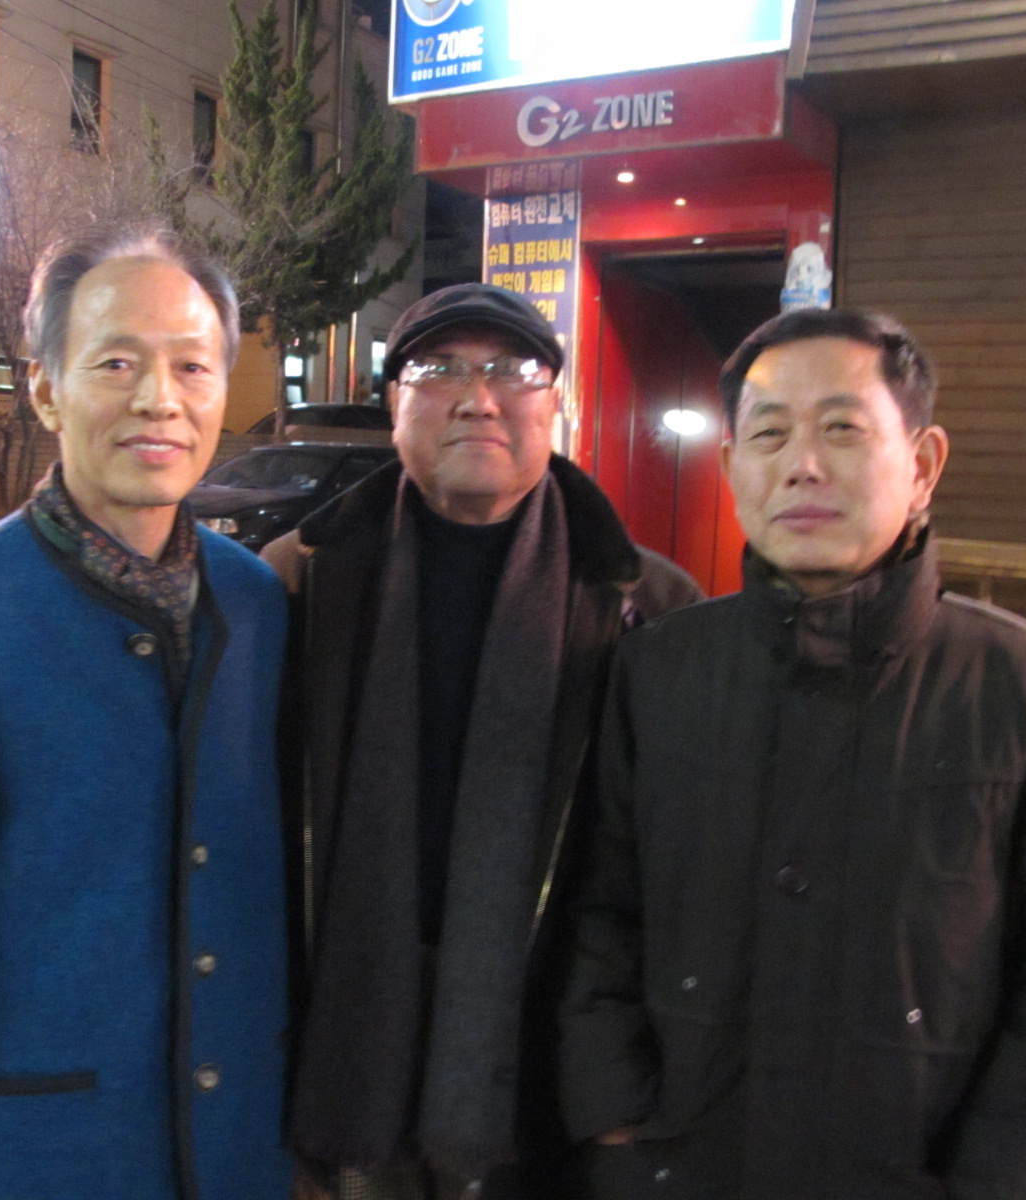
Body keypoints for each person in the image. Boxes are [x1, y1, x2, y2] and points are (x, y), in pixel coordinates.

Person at [560, 308, 1026, 1200]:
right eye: (769, 435)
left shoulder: (1025, 690)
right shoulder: (659, 672)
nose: (803, 464)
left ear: (923, 465)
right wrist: (616, 1125)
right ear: (732, 467)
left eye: (842, 429)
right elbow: (597, 914)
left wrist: (1013, 1181)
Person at [0, 224, 292, 1200]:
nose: (158, 398)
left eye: (192, 366)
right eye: (116, 362)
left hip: (234, 1154)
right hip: (37, 1159)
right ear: (44, 389)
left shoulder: (254, 604)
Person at [263, 282, 702, 1200]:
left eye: (512, 369)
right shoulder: (302, 579)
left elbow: (668, 876)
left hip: (543, 1062)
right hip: (340, 1038)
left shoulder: (648, 607)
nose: (478, 397)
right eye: (439, 369)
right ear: (395, 402)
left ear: (556, 404)